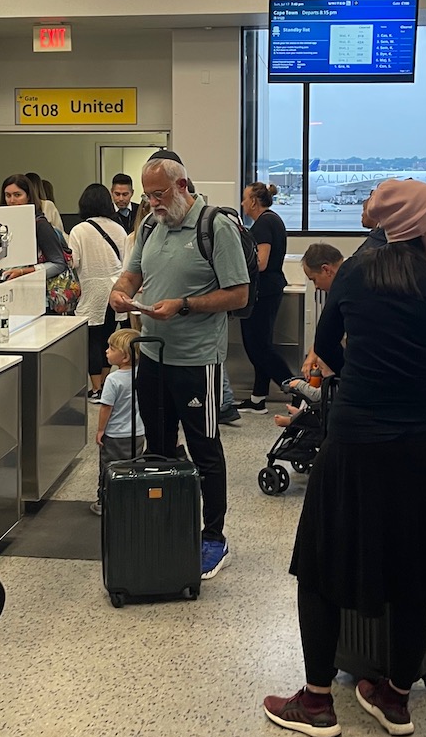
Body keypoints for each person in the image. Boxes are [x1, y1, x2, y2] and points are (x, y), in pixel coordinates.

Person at [262, 179, 426, 737]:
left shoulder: (354, 273)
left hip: (354, 443)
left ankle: (315, 700)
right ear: (419, 226)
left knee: (322, 566)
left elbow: (327, 352)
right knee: (414, 573)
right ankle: (396, 698)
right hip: (422, 447)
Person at [110, 156, 249, 580]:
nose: (151, 203)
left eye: (159, 194)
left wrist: (185, 305)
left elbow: (239, 294)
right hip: (153, 356)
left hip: (197, 362)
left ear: (183, 185)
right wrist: (120, 291)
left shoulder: (215, 226)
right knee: (158, 447)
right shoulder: (151, 226)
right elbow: (132, 275)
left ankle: (213, 536)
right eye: (146, 195)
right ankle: (167, 520)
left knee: (205, 449)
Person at [236, 183, 295, 412]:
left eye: (244, 199)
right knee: (260, 346)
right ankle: (258, 397)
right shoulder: (271, 220)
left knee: (258, 347)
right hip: (269, 289)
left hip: (263, 292)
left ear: (253, 201)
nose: (242, 204)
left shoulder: (263, 223)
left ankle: (296, 389)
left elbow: (261, 263)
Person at [68, 183, 129, 395]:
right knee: (108, 339)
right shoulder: (119, 228)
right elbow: (126, 261)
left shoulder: (79, 230)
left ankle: (94, 387)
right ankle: (103, 384)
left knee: (92, 340)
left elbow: (73, 262)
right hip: (115, 289)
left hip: (91, 290)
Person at [90, 328, 145, 517]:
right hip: (137, 432)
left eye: (111, 348)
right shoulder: (142, 375)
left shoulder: (113, 380)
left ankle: (105, 500)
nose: (106, 351)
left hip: (114, 434)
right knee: (133, 465)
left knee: (109, 467)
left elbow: (106, 408)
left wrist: (99, 430)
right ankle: (131, 498)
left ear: (124, 357)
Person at [297, 243, 344, 378]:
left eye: (314, 279)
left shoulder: (345, 290)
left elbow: (325, 342)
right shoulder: (349, 278)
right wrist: (314, 352)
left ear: (326, 270)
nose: (316, 286)